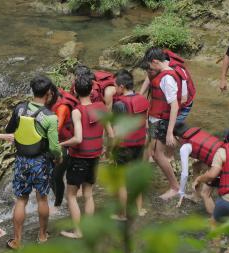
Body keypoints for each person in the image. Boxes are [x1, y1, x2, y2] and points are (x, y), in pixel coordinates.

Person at [5, 75, 62, 249]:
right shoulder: (50, 117)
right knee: (42, 199)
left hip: (22, 160)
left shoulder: (19, 109)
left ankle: (17, 240)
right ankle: (43, 235)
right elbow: (54, 147)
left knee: (21, 200)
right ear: (49, 93)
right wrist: (58, 158)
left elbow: (10, 130)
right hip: (41, 162)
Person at [59, 74, 114, 238]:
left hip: (79, 158)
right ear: (92, 90)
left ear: (75, 90)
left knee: (71, 195)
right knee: (88, 194)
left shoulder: (77, 111)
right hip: (95, 156)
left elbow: (78, 139)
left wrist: (60, 144)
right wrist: (107, 151)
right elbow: (111, 134)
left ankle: (78, 231)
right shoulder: (101, 107)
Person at [142, 47, 182, 200]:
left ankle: (175, 187)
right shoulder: (162, 71)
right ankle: (174, 186)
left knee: (158, 155)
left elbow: (175, 105)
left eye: (150, 66)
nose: (149, 70)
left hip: (161, 121)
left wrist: (170, 132)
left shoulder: (167, 78)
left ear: (156, 62)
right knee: (154, 153)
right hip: (155, 119)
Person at [111, 69, 149, 219]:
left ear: (121, 86)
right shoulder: (141, 99)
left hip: (124, 147)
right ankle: (139, 209)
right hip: (139, 144)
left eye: (115, 86)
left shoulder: (119, 104)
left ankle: (122, 214)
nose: (114, 89)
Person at [173, 123, 224, 214]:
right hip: (223, 154)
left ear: (177, 137)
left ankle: (216, 219)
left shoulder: (184, 148)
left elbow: (184, 174)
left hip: (220, 164)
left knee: (205, 193)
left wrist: (181, 193)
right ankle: (195, 196)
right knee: (196, 166)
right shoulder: (196, 133)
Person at [140, 49, 195, 123]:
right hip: (174, 100)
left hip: (184, 106)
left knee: (171, 128)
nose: (150, 72)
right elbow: (150, 76)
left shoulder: (176, 74)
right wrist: (140, 95)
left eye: (151, 70)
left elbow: (183, 100)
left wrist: (165, 114)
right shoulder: (159, 63)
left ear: (155, 62)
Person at [50, 87, 79, 207]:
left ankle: (58, 204)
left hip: (65, 144)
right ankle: (58, 197)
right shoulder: (53, 103)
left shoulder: (62, 108)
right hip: (56, 142)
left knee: (56, 176)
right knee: (51, 176)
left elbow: (56, 129)